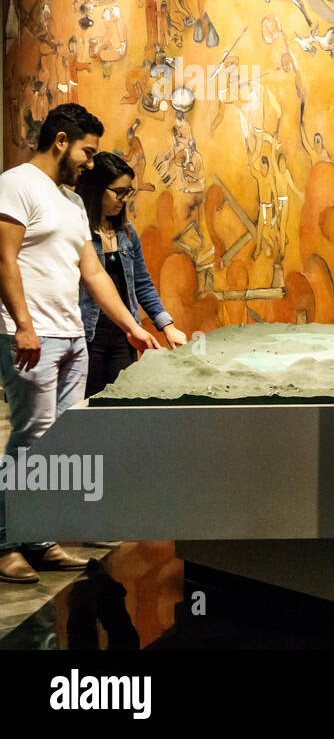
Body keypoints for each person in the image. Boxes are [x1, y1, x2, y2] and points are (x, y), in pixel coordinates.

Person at [0, 104, 162, 583]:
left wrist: (131, 325)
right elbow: (4, 259)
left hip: (73, 336)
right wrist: (24, 324)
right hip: (32, 337)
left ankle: (41, 538)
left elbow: (91, 272)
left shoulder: (70, 202)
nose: (90, 162)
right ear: (61, 140)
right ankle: (6, 542)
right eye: (87, 151)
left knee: (60, 443)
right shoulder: (16, 184)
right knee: (29, 440)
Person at [75, 151, 187, 397]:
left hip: (126, 335)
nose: (123, 200)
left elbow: (142, 284)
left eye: (128, 193)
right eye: (119, 192)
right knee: (87, 411)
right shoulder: (78, 231)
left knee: (121, 406)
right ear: (96, 189)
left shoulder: (127, 232)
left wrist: (166, 326)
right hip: (88, 336)